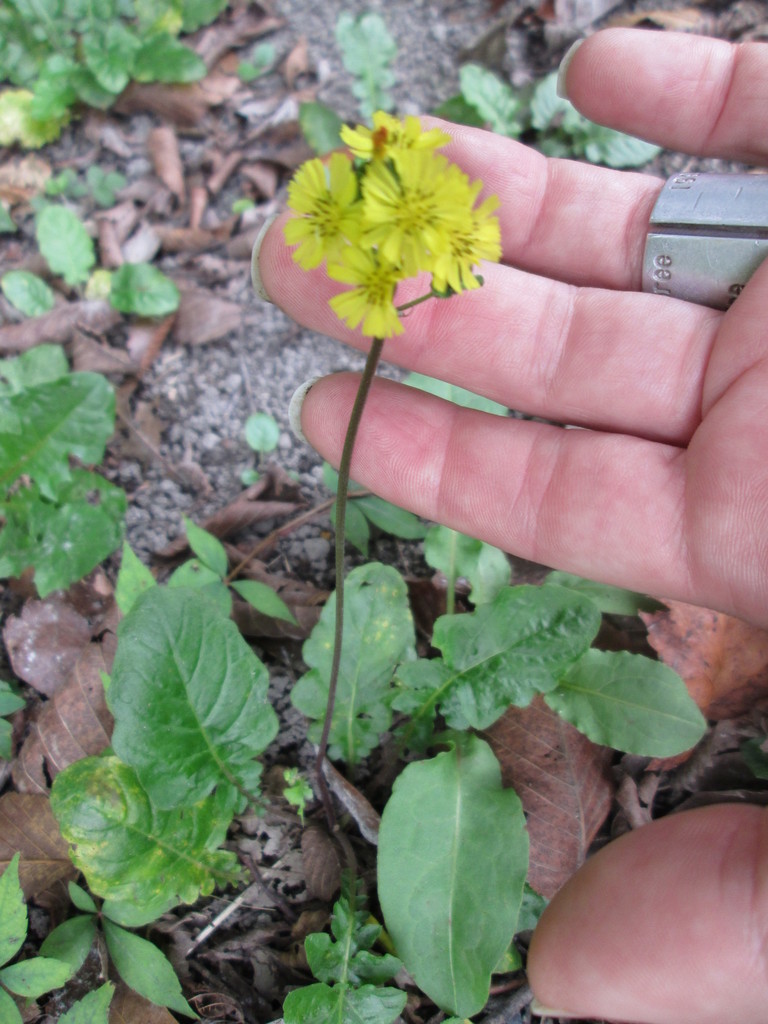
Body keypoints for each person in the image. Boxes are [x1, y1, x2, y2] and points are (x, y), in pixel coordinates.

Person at [253, 27, 768, 1024]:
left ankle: (337, 759)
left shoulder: (442, 235)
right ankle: (317, 759)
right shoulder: (378, 236)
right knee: (363, 425)